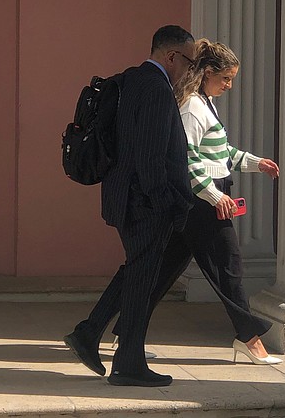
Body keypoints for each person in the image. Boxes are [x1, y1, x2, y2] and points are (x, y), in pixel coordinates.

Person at [63, 25, 196, 387]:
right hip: (145, 201)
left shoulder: (130, 80)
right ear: (172, 56)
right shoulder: (155, 89)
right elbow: (151, 154)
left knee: (137, 272)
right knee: (141, 278)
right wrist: (165, 201)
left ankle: (92, 335)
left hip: (126, 195)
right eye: (189, 62)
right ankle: (126, 362)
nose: (190, 71)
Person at [171, 38, 282, 364]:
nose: (230, 85)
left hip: (209, 194)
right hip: (204, 199)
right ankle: (249, 338)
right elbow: (187, 159)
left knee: (162, 269)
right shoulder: (192, 107)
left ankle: (112, 332)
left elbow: (221, 153)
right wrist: (215, 196)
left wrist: (255, 162)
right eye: (226, 78)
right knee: (230, 267)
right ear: (207, 72)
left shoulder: (204, 103)